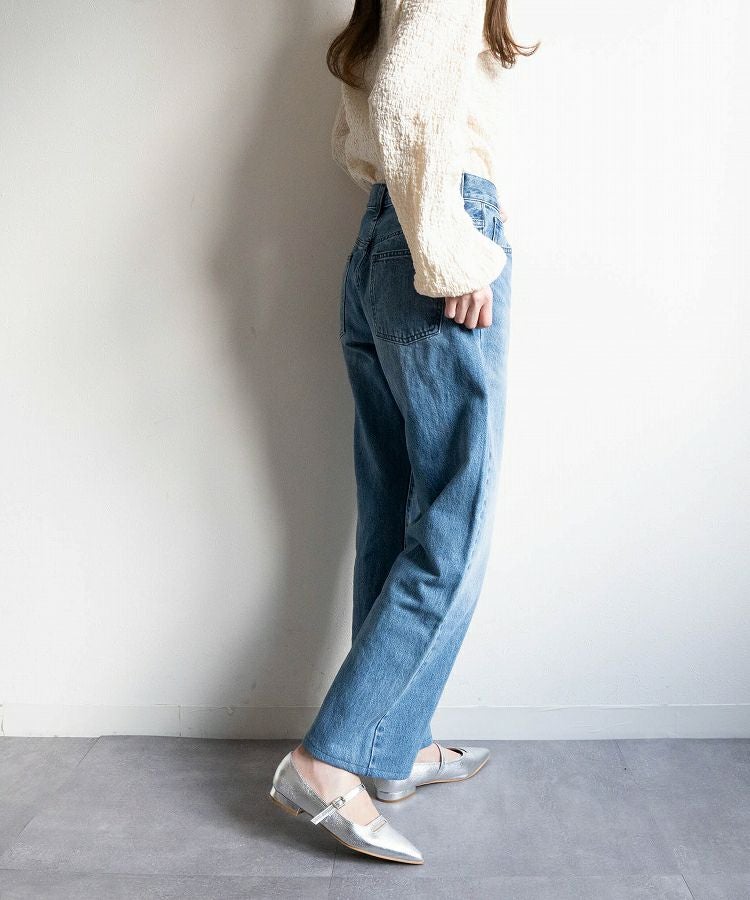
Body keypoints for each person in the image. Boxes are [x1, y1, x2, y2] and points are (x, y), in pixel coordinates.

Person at [269, 0, 538, 864]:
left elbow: (365, 128)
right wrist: (452, 250)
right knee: (453, 525)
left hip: (386, 238)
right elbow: (405, 105)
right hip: (439, 234)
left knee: (394, 514)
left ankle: (393, 744)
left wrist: (419, 231)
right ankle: (330, 759)